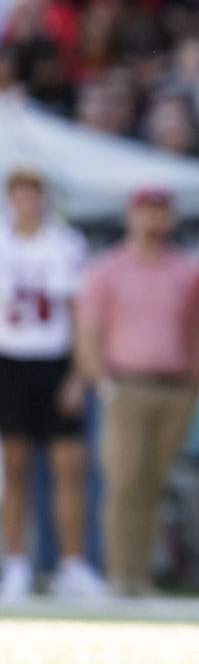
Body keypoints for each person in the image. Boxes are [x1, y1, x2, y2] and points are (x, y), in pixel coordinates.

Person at [76, 186, 199, 597]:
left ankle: (143, 575)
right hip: (126, 386)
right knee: (125, 481)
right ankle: (120, 574)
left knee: (154, 483)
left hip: (173, 389)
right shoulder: (108, 268)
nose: (153, 221)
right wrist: (104, 384)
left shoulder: (183, 270)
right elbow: (88, 333)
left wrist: (193, 386)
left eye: (160, 212)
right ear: (131, 216)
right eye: (146, 212)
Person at [0, 165, 106, 601]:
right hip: (10, 361)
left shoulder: (65, 244)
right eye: (20, 194)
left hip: (54, 360)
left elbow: (78, 313)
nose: (27, 202)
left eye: (34, 194)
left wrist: (79, 373)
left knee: (70, 469)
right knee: (14, 471)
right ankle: (17, 564)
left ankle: (71, 563)